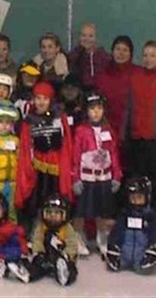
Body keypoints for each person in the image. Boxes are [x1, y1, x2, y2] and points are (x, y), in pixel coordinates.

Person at [17, 81, 73, 231]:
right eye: (38, 98)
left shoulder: (60, 118)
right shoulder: (29, 121)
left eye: (45, 99)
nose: (41, 102)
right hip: (38, 167)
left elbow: (66, 142)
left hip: (57, 166)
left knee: (56, 197)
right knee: (37, 199)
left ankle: (60, 229)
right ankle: (36, 230)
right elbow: (25, 146)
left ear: (50, 100)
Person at [72, 91, 122, 257]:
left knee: (102, 210)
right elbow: (76, 155)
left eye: (99, 108)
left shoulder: (109, 130)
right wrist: (75, 178)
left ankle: (103, 238)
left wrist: (116, 175)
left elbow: (114, 153)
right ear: (86, 111)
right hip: (86, 177)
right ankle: (78, 237)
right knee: (82, 210)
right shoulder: (81, 131)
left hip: (104, 177)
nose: (96, 112)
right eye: (92, 108)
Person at [105, 177, 156, 274]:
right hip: (125, 255)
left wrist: (152, 250)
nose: (135, 201)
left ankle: (142, 262)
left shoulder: (150, 217)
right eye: (133, 198)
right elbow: (116, 232)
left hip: (142, 257)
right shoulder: (124, 215)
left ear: (147, 197)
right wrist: (113, 248)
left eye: (139, 198)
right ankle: (121, 260)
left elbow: (154, 234)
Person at [26, 194, 78, 287]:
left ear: (64, 215)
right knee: (35, 265)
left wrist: (66, 255)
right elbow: (37, 240)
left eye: (57, 213)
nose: (52, 216)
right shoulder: (41, 227)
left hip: (62, 258)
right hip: (45, 258)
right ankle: (27, 274)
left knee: (72, 269)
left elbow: (73, 244)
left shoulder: (67, 228)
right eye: (49, 212)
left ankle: (64, 275)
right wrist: (38, 253)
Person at [126, 40, 156, 193]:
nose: (148, 59)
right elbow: (129, 108)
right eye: (145, 55)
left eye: (152, 55)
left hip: (153, 139)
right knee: (136, 178)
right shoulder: (135, 78)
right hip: (136, 138)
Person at [95, 36, 138, 143]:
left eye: (125, 50)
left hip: (132, 132)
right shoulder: (102, 76)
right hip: (107, 129)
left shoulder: (138, 74)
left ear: (130, 54)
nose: (121, 53)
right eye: (118, 49)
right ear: (112, 51)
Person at [67, 23, 111, 88]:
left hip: (100, 90)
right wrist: (80, 49)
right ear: (79, 37)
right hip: (82, 91)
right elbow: (69, 64)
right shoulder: (75, 54)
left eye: (91, 36)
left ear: (96, 38)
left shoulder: (103, 56)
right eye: (83, 35)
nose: (86, 39)